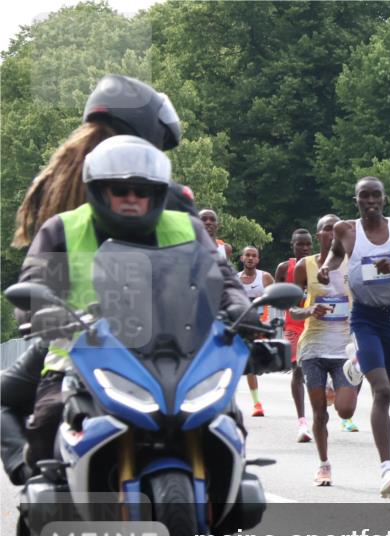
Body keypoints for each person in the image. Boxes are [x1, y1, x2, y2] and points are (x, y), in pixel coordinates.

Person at [4, 74, 195, 485]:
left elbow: (41, 269)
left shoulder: (56, 186)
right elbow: (204, 269)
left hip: (78, 334)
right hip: (155, 339)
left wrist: (45, 312)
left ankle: (33, 474)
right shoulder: (167, 195)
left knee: (11, 399)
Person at [16, 135, 249, 470]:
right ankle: (49, 508)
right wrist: (38, 312)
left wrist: (240, 307)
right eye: (120, 190)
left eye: (141, 191)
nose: (131, 198)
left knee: (225, 421)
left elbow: (224, 279)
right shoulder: (62, 229)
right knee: (49, 421)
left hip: (177, 357)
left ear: (156, 194)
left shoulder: (187, 228)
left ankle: (229, 491)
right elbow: (33, 283)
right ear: (98, 190)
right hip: (81, 357)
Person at [318, 177, 390, 498]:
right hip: (364, 318)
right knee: (381, 391)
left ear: (384, 199)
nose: (370, 201)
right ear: (356, 200)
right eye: (363, 196)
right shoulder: (345, 230)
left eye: (376, 196)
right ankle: (387, 467)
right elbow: (333, 255)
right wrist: (326, 269)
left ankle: (357, 360)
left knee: (389, 395)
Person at [291, 215, 363, 486]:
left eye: (336, 229)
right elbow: (293, 309)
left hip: (344, 348)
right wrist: (309, 309)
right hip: (313, 348)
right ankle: (323, 465)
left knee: (345, 410)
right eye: (326, 229)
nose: (332, 234)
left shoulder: (352, 264)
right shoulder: (304, 266)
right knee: (319, 412)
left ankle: (340, 386)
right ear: (318, 234)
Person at [274, 228, 316, 442]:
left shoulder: (319, 266)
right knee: (298, 369)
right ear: (292, 245)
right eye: (300, 244)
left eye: (308, 244)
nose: (305, 248)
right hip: (293, 325)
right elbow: (276, 295)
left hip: (316, 324)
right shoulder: (284, 268)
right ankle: (302, 422)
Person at [238, 246, 274, 417]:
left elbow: (276, 298)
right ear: (242, 258)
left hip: (260, 326)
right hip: (240, 325)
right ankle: (256, 403)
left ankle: (257, 403)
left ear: (258, 260)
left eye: (254, 256)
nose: (250, 258)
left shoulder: (265, 277)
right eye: (247, 255)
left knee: (253, 363)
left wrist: (270, 322)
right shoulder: (235, 279)